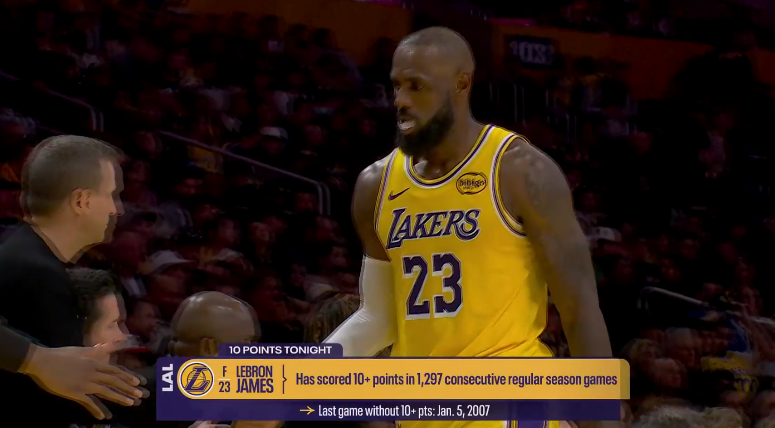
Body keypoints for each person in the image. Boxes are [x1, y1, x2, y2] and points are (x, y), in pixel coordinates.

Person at [325, 27, 615, 428]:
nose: (401, 100)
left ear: (461, 84)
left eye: (416, 86)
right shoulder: (375, 185)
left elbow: (579, 307)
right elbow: (378, 317)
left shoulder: (519, 170)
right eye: (396, 86)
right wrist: (300, 379)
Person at [0, 135, 136, 426]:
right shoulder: (36, 273)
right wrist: (230, 382)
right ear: (81, 201)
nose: (118, 209)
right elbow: (83, 398)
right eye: (112, 195)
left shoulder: (27, 254)